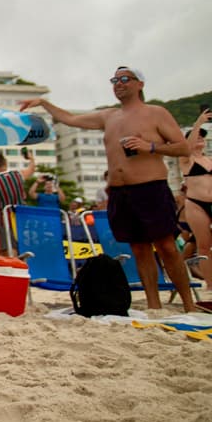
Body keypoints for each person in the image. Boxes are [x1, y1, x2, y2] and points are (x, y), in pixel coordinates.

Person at [20, 67, 196, 312]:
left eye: (125, 79)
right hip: (120, 192)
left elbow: (183, 148)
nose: (118, 83)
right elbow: (70, 119)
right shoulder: (109, 117)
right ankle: (154, 305)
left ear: (140, 84)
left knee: (166, 246)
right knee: (139, 248)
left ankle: (189, 305)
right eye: (115, 80)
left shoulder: (156, 113)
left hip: (150, 187)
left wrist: (151, 146)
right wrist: (44, 103)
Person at [180, 112, 212, 288]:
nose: (200, 138)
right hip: (196, 203)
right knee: (204, 245)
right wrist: (198, 123)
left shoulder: (209, 159)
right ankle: (211, 284)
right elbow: (186, 147)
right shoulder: (186, 159)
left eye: (202, 136)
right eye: (197, 136)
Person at [0, 150, 35, 253]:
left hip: (5, 218)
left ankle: (14, 267)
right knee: (25, 246)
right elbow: (31, 169)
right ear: (5, 162)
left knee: (10, 247)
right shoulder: (17, 174)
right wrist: (31, 158)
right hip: (22, 215)